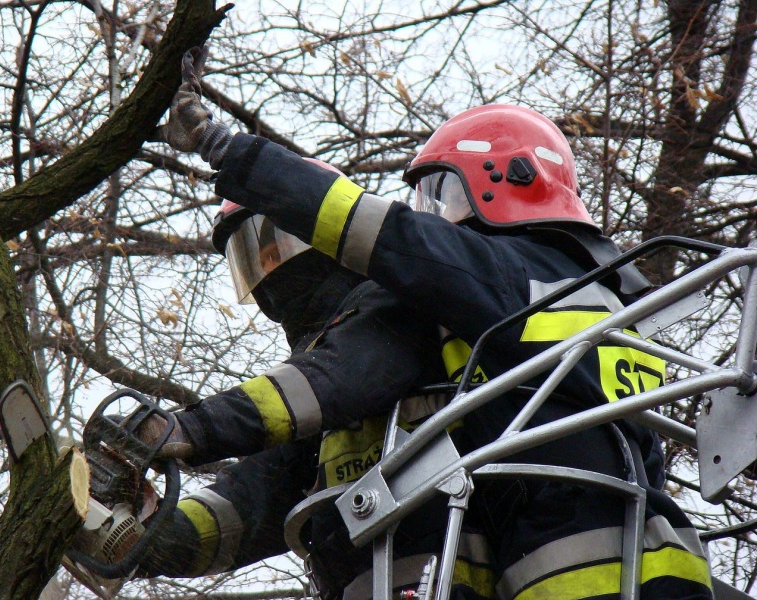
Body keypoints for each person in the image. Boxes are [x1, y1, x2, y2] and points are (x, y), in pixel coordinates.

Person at [150, 47, 714, 599]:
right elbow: (260, 493)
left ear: (504, 179)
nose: (431, 217)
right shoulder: (596, 309)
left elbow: (390, 247)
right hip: (658, 563)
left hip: (572, 575)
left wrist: (229, 151)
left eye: (439, 193)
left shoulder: (507, 276)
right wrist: (128, 530)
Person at [135, 177, 496, 597]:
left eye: (279, 245)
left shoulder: (396, 308)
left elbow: (335, 378)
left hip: (455, 576)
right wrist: (143, 533)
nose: (272, 266)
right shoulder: (307, 408)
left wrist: (187, 429)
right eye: (255, 257)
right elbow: (252, 501)